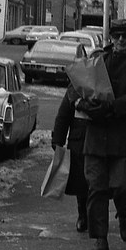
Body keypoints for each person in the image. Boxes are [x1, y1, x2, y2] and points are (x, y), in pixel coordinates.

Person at [76, 18, 126, 250]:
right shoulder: (98, 59)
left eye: (125, 36)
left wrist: (111, 107)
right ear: (111, 37)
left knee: (122, 184)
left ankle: (123, 211)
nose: (120, 40)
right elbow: (78, 87)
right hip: (97, 133)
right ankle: (100, 237)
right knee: (96, 187)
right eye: (117, 35)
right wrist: (84, 104)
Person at [51, 88, 89, 233]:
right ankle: (82, 213)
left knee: (97, 182)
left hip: (98, 140)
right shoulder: (76, 85)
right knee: (81, 181)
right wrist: (57, 140)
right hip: (79, 142)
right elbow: (64, 114)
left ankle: (95, 216)